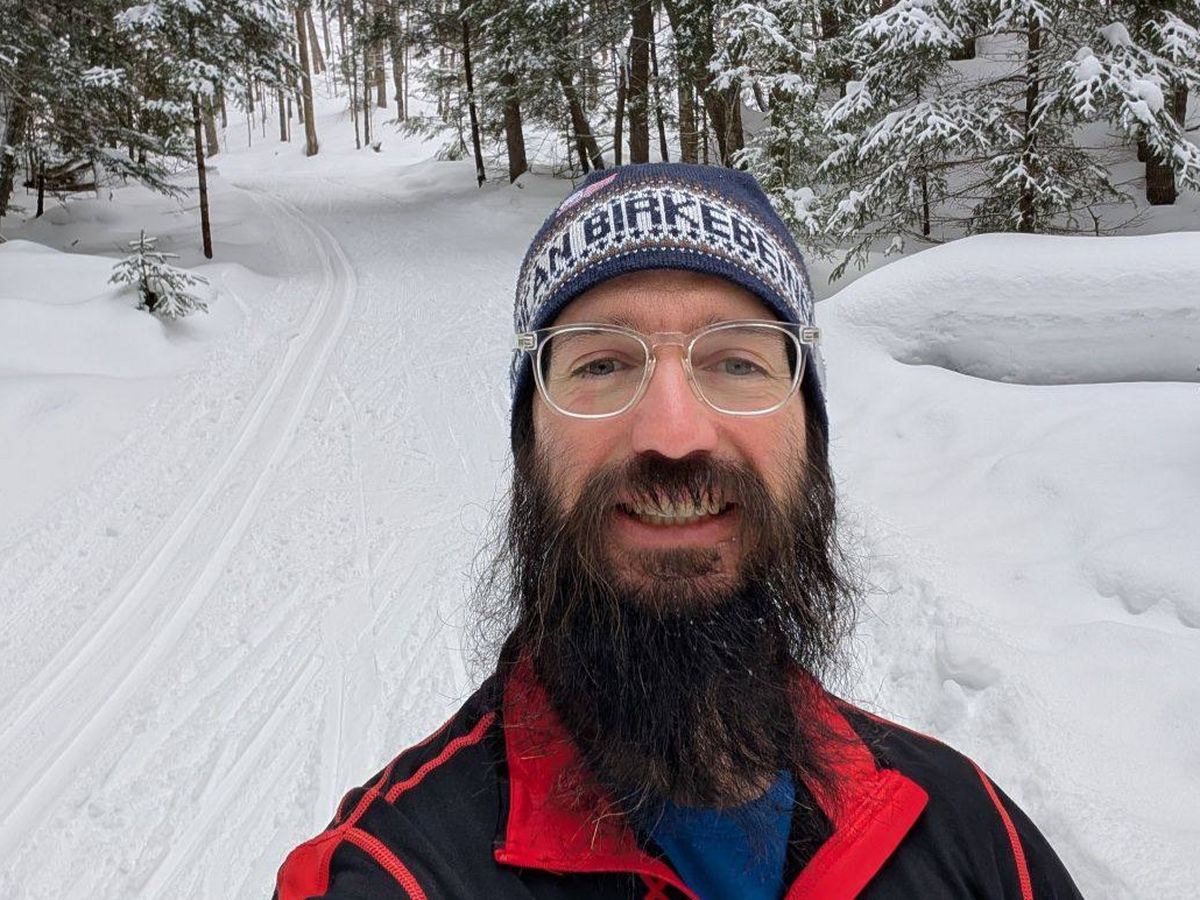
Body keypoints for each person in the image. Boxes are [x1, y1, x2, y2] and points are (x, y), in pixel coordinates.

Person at [273, 164, 1083, 900]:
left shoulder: (969, 830)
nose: (673, 432)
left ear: (811, 439)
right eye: (601, 365)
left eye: (736, 362)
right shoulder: (388, 874)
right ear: (529, 449)